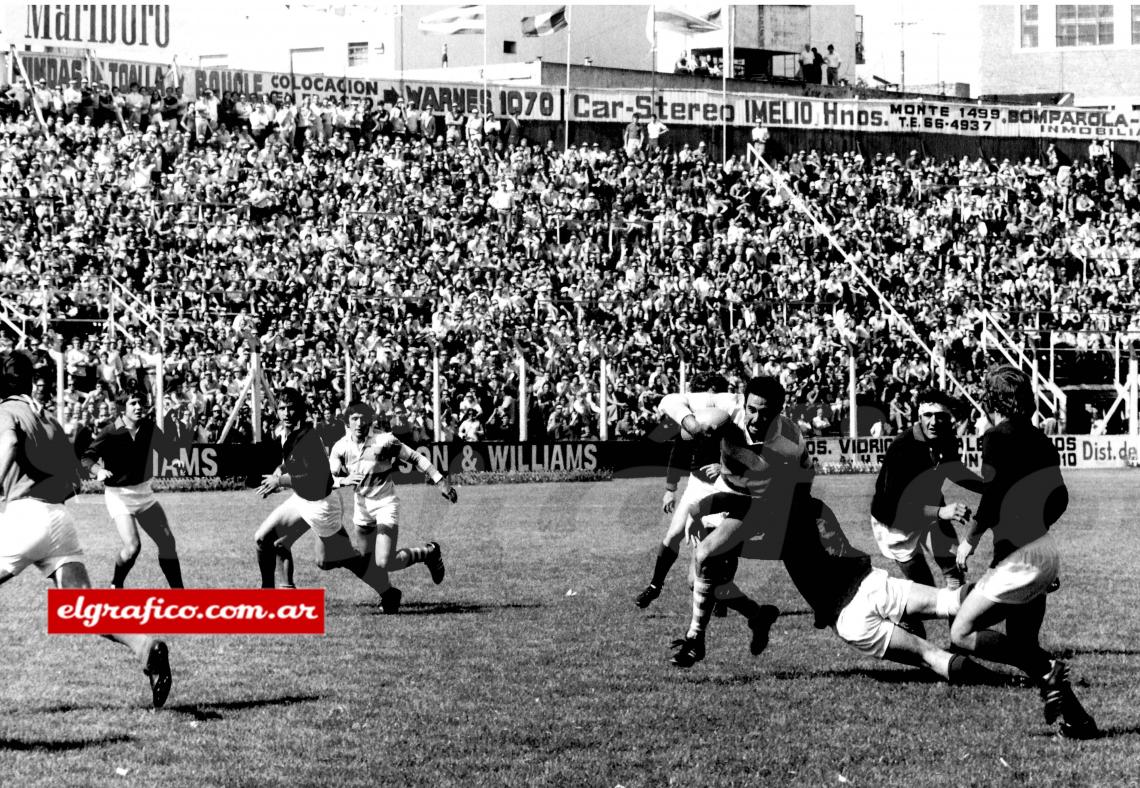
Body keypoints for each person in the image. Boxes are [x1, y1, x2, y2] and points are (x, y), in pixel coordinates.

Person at [662, 378, 1004, 685]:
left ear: (779, 413)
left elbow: (788, 496)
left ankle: (707, 633)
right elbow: (669, 402)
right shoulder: (729, 409)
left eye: (763, 413)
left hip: (778, 518)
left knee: (707, 557)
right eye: (751, 409)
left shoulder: (789, 444)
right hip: (858, 566)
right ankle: (702, 635)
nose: (754, 418)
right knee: (703, 563)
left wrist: (716, 497)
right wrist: (694, 425)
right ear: (744, 403)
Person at [0, 350, 172, 708]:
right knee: (84, 608)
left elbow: (10, 444)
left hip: (23, 516)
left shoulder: (7, 412)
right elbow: (75, 480)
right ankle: (145, 646)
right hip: (58, 521)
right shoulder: (48, 420)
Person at [951, 366, 1100, 739]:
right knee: (1023, 646)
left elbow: (994, 492)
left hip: (1019, 558)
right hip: (1043, 552)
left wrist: (970, 538)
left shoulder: (995, 438)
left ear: (991, 399)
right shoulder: (1041, 440)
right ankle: (1079, 722)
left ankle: (1048, 666)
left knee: (962, 633)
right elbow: (1060, 498)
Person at [252, 388, 393, 607]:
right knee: (265, 540)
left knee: (339, 559)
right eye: (282, 408)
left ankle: (389, 592)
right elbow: (291, 463)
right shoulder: (284, 431)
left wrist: (278, 481)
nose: (287, 413)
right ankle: (269, 598)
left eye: (291, 408)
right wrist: (279, 471)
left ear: (300, 410)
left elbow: (315, 477)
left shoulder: (307, 437)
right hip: (302, 500)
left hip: (322, 505)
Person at [869, 389, 983, 635]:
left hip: (932, 509)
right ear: (919, 416)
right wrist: (941, 512)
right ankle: (909, 632)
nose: (934, 421)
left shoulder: (947, 437)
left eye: (940, 416)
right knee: (925, 592)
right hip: (895, 523)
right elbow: (894, 506)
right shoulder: (903, 448)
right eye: (928, 415)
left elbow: (954, 469)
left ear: (949, 418)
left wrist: (988, 487)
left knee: (953, 572)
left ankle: (958, 642)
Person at [328, 402, 455, 614]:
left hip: (386, 505)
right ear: (347, 422)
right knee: (370, 565)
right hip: (362, 509)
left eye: (363, 418)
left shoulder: (384, 441)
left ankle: (429, 553)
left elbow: (414, 457)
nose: (359, 423)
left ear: (370, 420)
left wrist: (440, 480)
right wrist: (343, 480)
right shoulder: (340, 447)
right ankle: (388, 597)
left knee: (383, 561)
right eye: (354, 419)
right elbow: (329, 478)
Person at [82, 385, 186, 589]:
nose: (139, 407)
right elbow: (87, 457)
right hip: (119, 496)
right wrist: (98, 471)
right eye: (133, 403)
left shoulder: (149, 428)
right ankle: (116, 584)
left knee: (167, 543)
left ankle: (179, 593)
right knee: (132, 548)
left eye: (141, 402)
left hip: (144, 494)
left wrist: (174, 460)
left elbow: (165, 448)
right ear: (123, 408)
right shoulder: (111, 431)